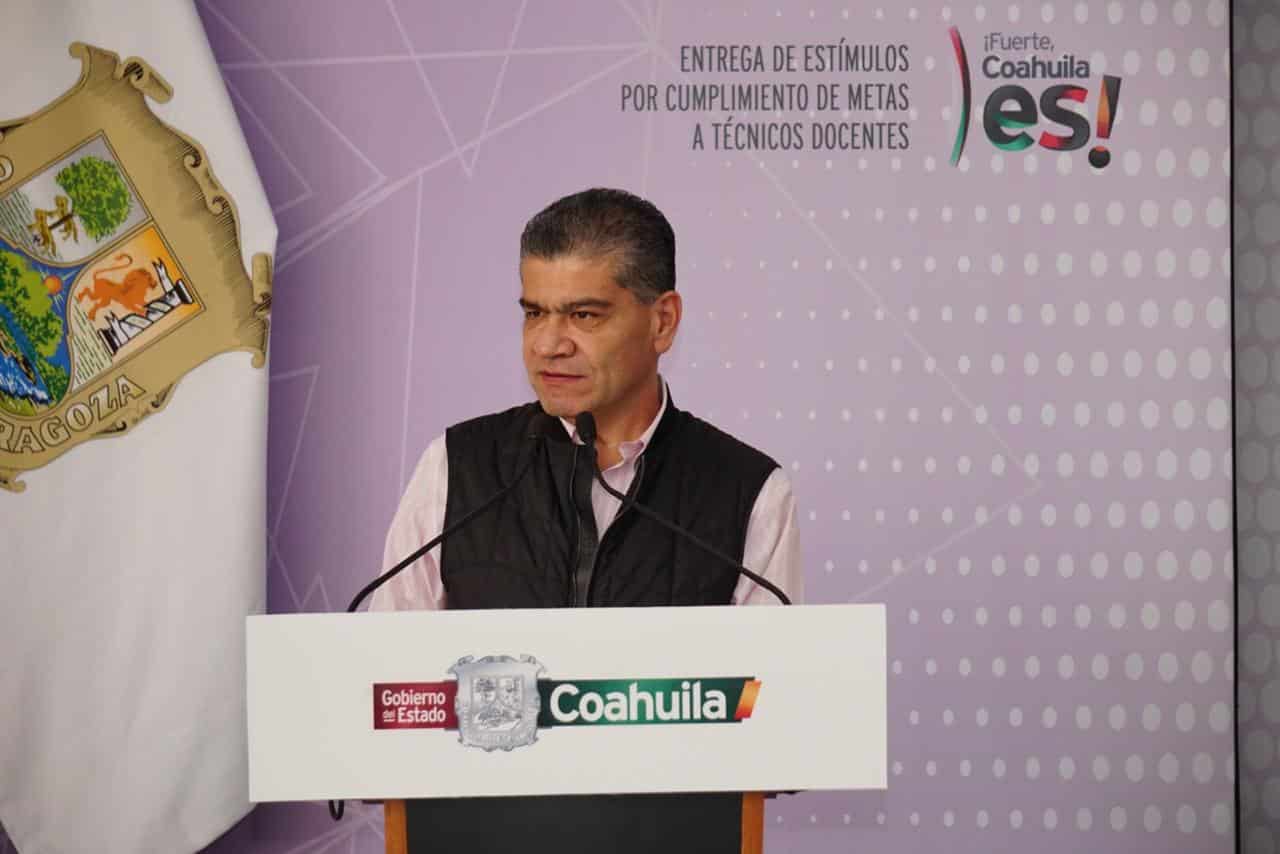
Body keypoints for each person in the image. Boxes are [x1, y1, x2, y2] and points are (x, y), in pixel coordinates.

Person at [371, 187, 801, 612]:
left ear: (662, 322)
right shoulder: (455, 468)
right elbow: (387, 653)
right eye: (535, 313)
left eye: (583, 315)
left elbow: (773, 661)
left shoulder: (752, 494)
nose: (547, 346)